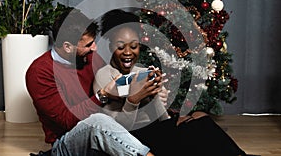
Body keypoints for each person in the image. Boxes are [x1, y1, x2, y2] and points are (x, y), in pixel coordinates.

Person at [93, 9, 249, 156]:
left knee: (200, 117)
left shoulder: (141, 71)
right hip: (132, 138)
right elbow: (116, 131)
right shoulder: (104, 76)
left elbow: (162, 118)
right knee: (196, 130)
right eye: (120, 46)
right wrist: (134, 99)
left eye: (134, 46)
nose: (128, 52)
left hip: (156, 129)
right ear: (110, 46)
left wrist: (156, 96)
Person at [25, 8, 155, 156]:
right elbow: (67, 121)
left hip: (104, 133)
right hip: (68, 141)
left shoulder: (89, 58)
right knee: (98, 121)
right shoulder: (39, 72)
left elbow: (110, 88)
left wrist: (141, 88)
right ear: (67, 47)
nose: (95, 48)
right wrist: (102, 95)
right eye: (88, 45)